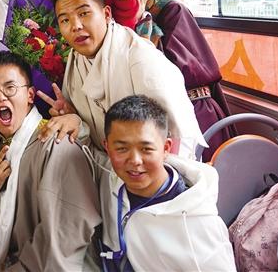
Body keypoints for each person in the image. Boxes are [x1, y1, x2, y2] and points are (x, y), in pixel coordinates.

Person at [0, 51, 101, 271]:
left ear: (30, 95)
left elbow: (61, 244)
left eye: (10, 88)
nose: (0, 97)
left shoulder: (56, 144)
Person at [47, 0, 204, 158]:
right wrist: (71, 115)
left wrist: (161, 174)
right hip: (107, 164)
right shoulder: (76, 60)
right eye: (65, 20)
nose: (75, 26)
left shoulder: (140, 58)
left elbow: (177, 134)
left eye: (83, 13)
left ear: (107, 14)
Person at [99, 95, 236, 272]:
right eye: (122, 149)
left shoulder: (199, 225)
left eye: (146, 149)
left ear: (166, 148)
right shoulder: (112, 177)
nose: (135, 161)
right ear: (107, 148)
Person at [122, 0, 232, 160]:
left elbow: (172, 68)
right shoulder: (125, 19)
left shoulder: (173, 11)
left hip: (195, 110)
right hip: (161, 112)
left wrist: (143, 20)